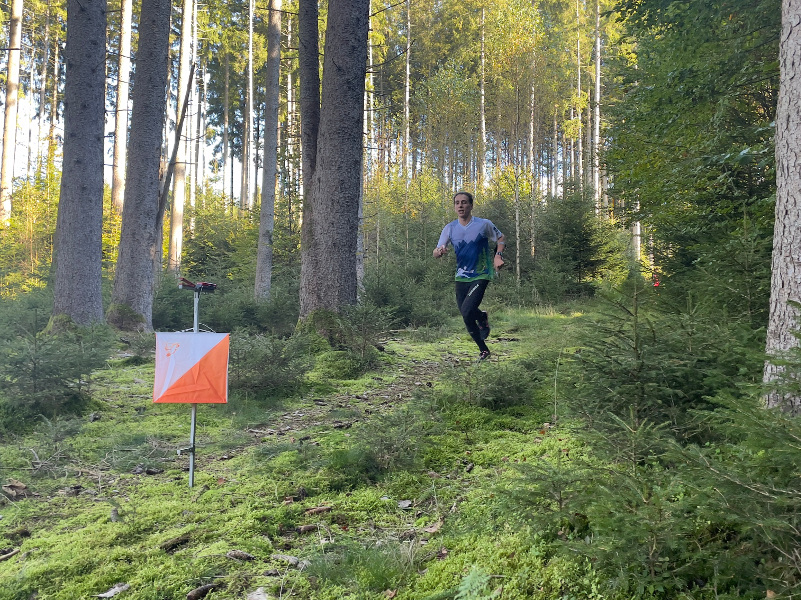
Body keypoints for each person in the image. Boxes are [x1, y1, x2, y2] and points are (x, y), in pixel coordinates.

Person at [433, 191, 506, 360]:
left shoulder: (483, 224)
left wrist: (498, 255)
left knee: (466, 311)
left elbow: (501, 237)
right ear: (454, 207)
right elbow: (436, 252)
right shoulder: (450, 228)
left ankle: (480, 318)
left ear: (471, 206)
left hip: (481, 273)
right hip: (461, 276)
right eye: (457, 203)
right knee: (466, 315)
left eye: (464, 202)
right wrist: (440, 251)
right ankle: (484, 349)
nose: (460, 206)